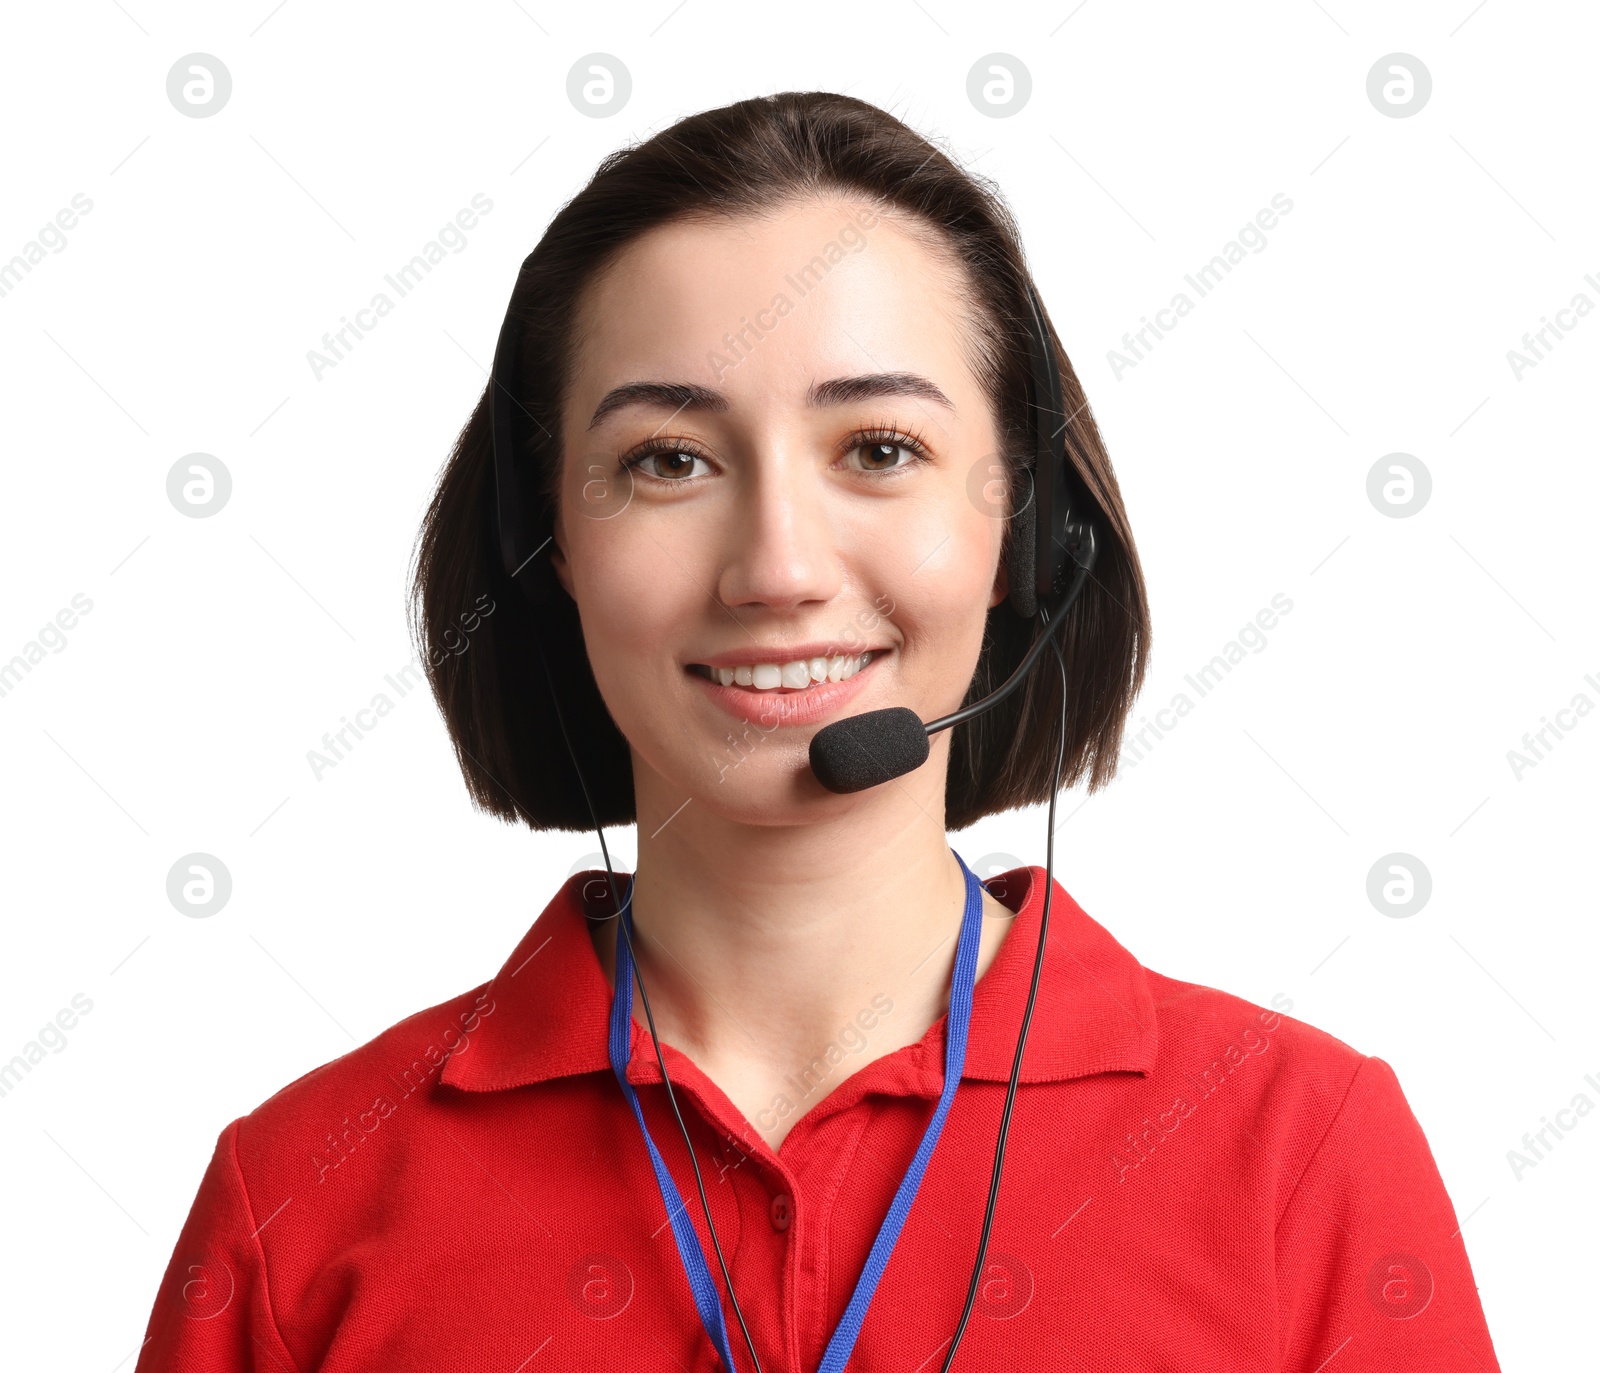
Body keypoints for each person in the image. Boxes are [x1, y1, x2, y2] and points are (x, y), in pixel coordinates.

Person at [135, 92, 1501, 1371]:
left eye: (879, 448)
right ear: (546, 542)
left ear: (1026, 530)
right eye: (667, 461)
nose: (776, 567)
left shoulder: (1301, 1154)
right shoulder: (296, 1202)